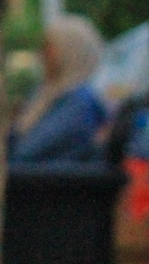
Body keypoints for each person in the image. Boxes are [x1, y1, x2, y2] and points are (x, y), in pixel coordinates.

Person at [11, 14, 109, 165]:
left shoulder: (78, 103)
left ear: (69, 52)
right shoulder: (48, 94)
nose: (41, 55)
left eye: (48, 48)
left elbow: (26, 152)